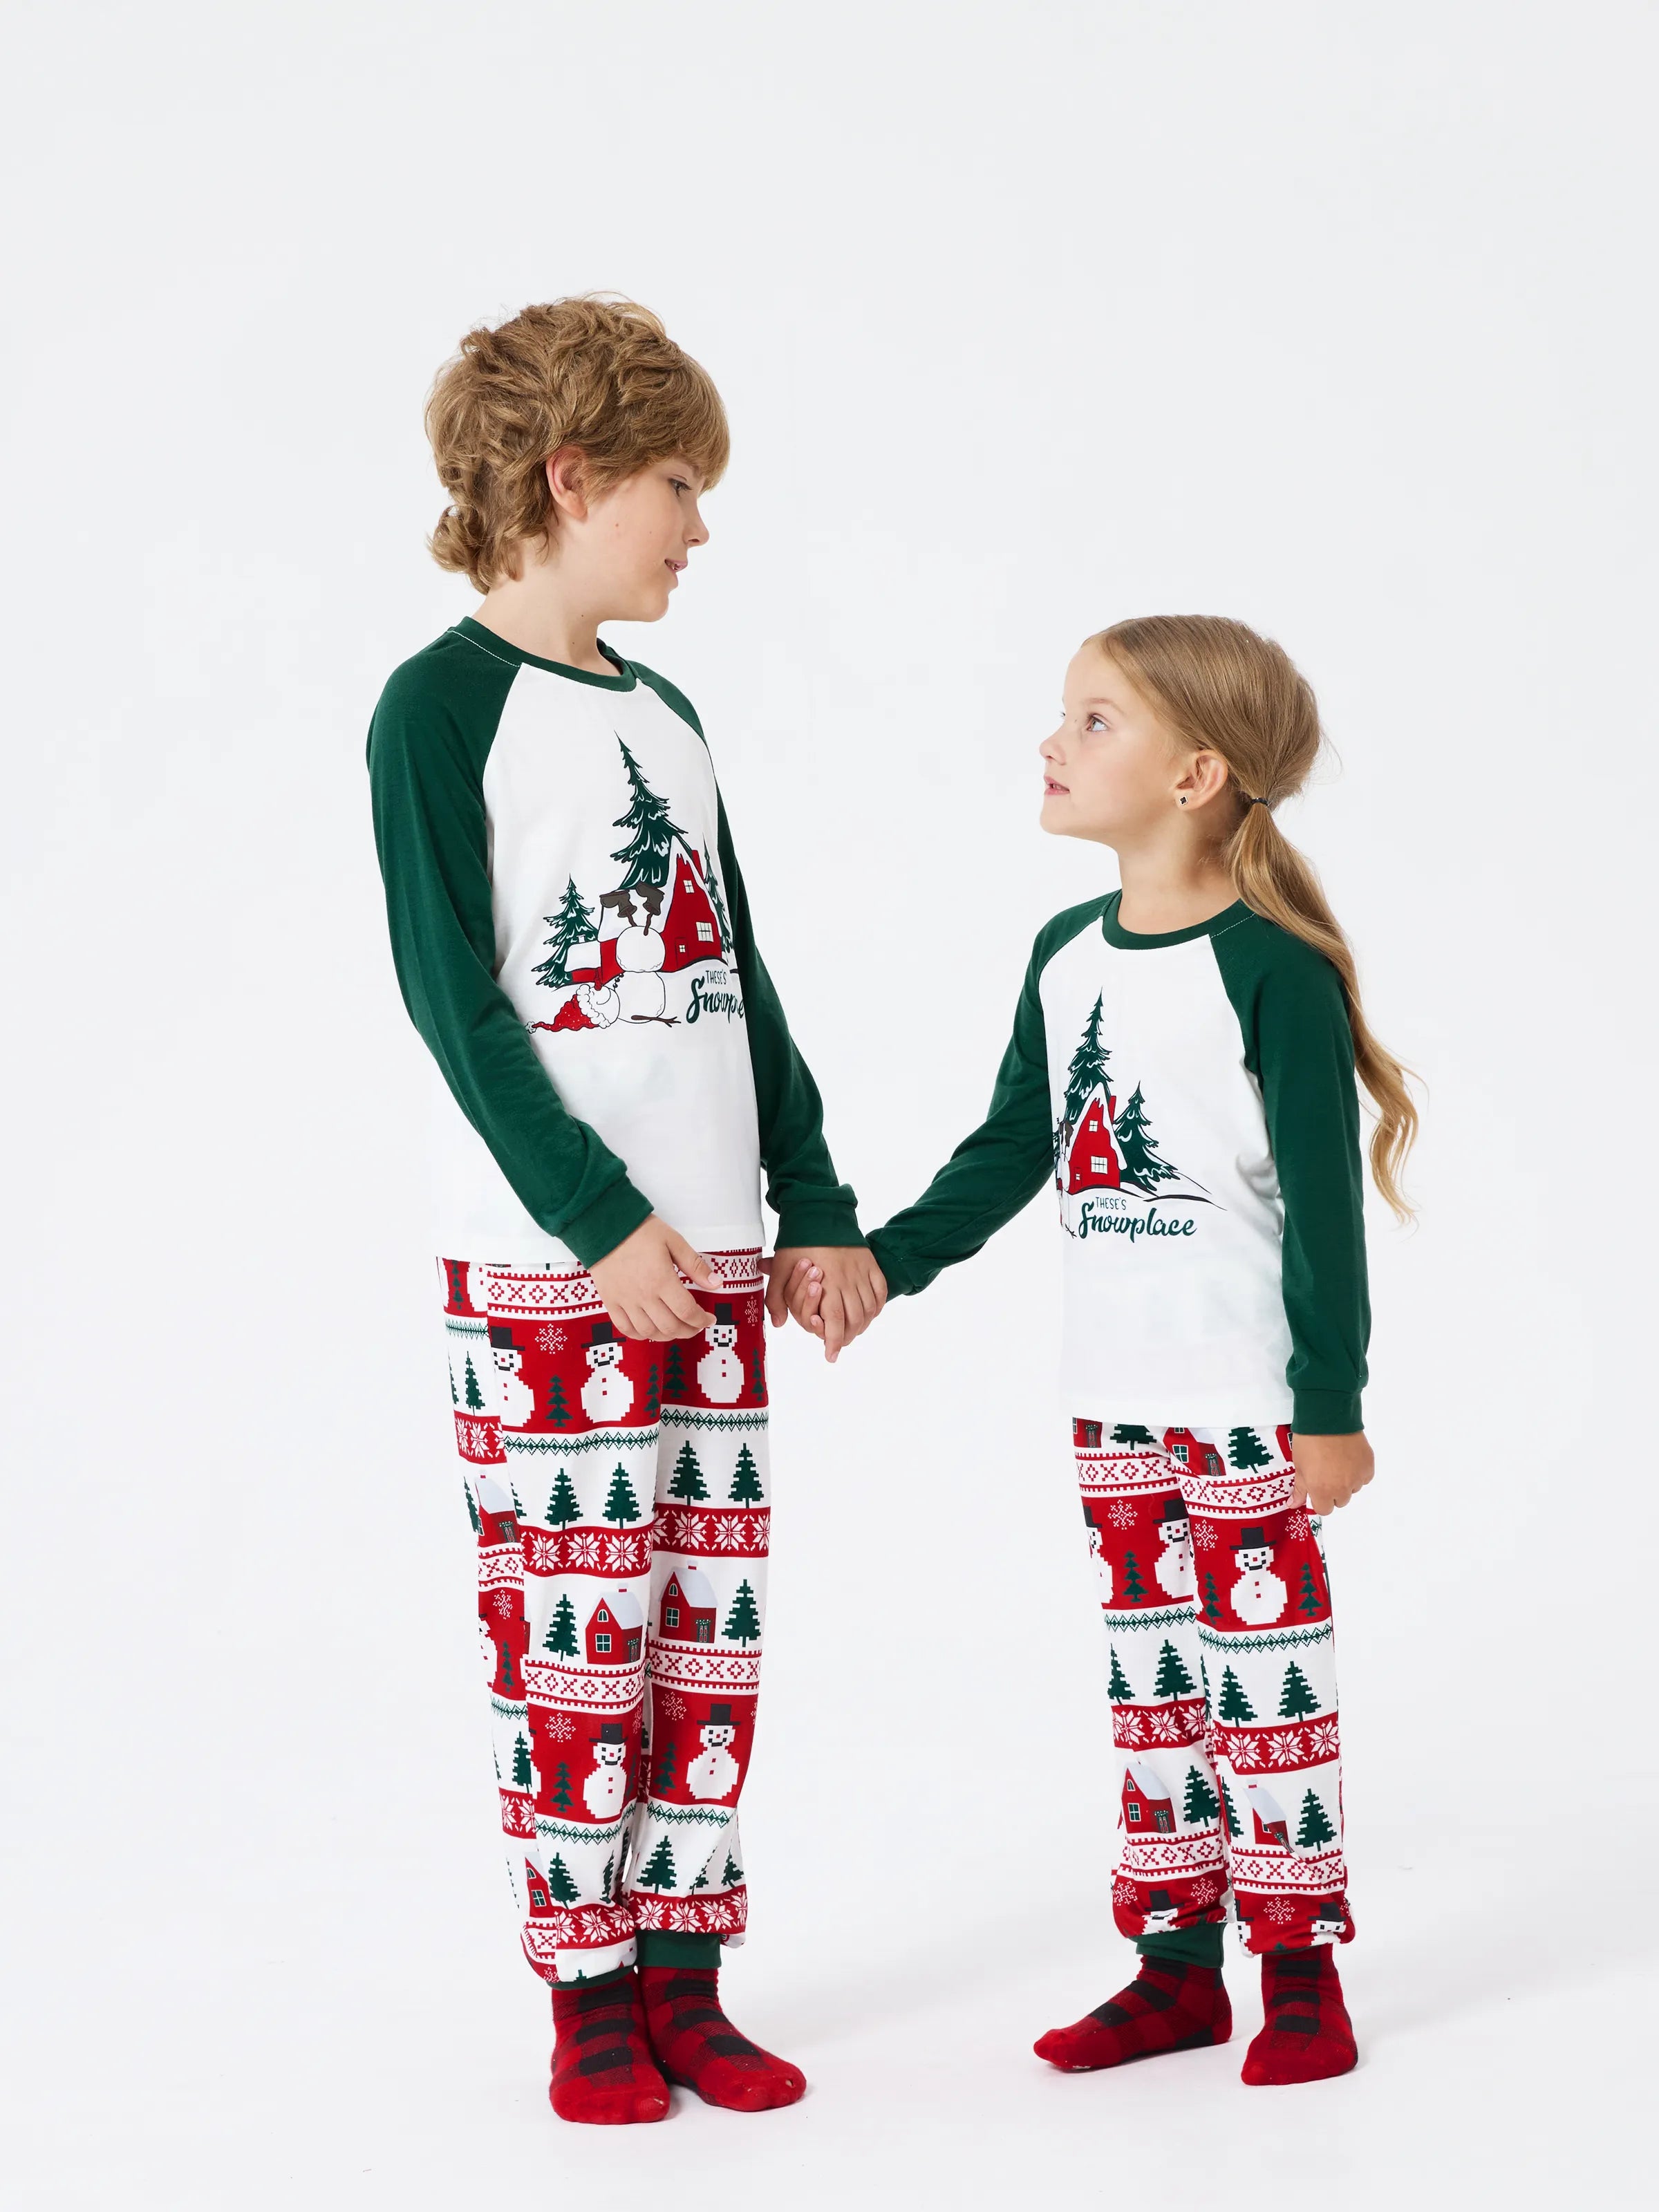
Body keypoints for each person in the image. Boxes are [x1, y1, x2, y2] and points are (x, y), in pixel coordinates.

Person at [368, 298, 885, 2124]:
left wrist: (813, 1200)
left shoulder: (670, 718)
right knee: (575, 1638)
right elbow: (454, 998)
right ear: (572, 479)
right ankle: (586, 1992)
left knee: (704, 1632)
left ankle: (685, 1974)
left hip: (721, 1258)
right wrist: (597, 1220)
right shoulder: (439, 709)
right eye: (679, 486)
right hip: (558, 1272)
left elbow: (740, 978)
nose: (700, 526)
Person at [788, 614, 1414, 2086]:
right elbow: (1017, 1143)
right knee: (1153, 1695)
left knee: (1269, 1695)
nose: (1053, 744)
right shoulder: (1065, 957)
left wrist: (1331, 1402)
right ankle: (1175, 1972)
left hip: (1250, 1408)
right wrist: (887, 1262)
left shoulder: (1273, 969)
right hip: (1113, 1405)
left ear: (1196, 775)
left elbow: (1325, 1205)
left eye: (1093, 722)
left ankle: (1300, 1977)